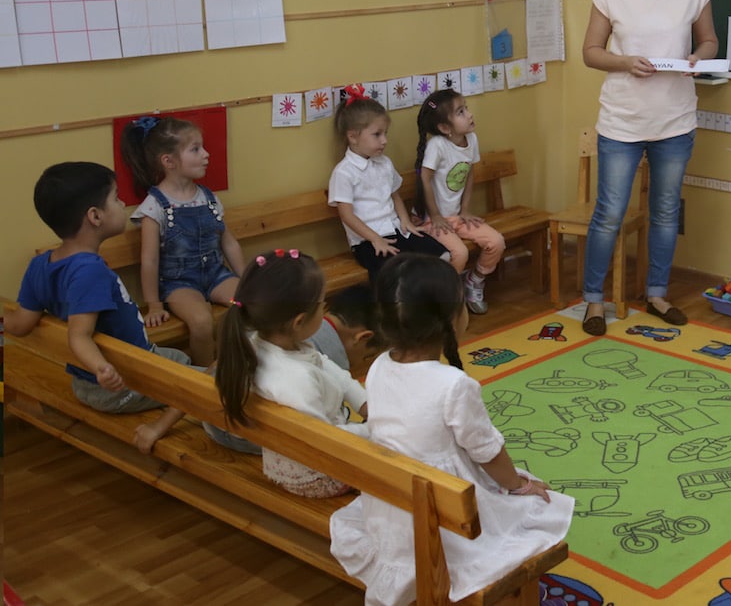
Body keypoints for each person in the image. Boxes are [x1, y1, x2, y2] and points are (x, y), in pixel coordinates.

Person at [329, 253, 573, 604]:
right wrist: (519, 486)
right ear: (451, 321)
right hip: (441, 511)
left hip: (392, 503)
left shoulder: (380, 365)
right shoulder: (453, 385)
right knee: (540, 507)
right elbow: (487, 451)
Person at [579, 0, 719, 336]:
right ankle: (593, 301)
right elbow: (591, 52)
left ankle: (656, 293)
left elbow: (710, 42)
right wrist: (625, 62)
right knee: (609, 213)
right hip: (621, 121)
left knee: (663, 212)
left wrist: (698, 57)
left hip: (675, 121)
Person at [8, 162, 195, 454]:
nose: (123, 203)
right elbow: (79, 336)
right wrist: (103, 370)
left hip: (87, 379)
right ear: (95, 216)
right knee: (200, 382)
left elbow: (19, 325)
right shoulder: (88, 270)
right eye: (116, 198)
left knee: (180, 358)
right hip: (116, 386)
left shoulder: (41, 265)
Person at [215, 249, 370, 498]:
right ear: (299, 322)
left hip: (295, 456)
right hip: (315, 474)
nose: (325, 308)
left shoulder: (261, 342)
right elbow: (323, 441)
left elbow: (327, 365)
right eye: (322, 304)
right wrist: (372, 431)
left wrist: (364, 403)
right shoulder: (294, 379)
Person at [120, 115, 244, 366]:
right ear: (168, 161)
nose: (206, 154)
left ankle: (237, 366)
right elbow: (150, 260)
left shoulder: (208, 198)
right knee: (201, 321)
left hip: (216, 275)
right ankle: (204, 377)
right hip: (180, 284)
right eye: (196, 149)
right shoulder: (154, 206)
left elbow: (228, 242)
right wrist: (154, 305)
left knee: (248, 302)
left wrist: (246, 277)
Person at [327, 85, 448, 280]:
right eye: (377, 134)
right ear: (353, 136)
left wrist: (405, 221)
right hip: (367, 241)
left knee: (442, 255)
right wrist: (375, 239)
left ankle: (431, 301)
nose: (384, 141)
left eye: (386, 133)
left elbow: (394, 195)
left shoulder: (384, 163)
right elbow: (347, 216)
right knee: (396, 273)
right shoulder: (344, 172)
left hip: (395, 229)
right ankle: (396, 309)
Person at [413, 88, 505, 315]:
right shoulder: (438, 146)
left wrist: (465, 209)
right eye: (461, 112)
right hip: (433, 221)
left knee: (497, 241)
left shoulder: (471, 139)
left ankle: (474, 281)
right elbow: (424, 178)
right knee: (460, 254)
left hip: (458, 216)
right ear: (445, 128)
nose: (469, 114)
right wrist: (434, 216)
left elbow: (470, 174)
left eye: (466, 108)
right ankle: (446, 295)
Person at [306, 282, 385, 381]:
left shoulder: (291, 331)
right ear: (364, 337)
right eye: (367, 356)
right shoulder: (329, 378)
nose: (359, 363)